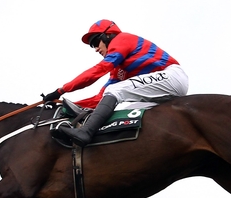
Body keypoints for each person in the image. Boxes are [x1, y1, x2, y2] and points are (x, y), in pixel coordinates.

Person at [43, 19, 188, 146]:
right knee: (130, 114)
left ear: (107, 35)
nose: (95, 49)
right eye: (92, 46)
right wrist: (63, 106)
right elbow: (100, 99)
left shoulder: (122, 39)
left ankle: (85, 132)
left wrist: (61, 90)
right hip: (162, 88)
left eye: (95, 42)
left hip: (173, 76)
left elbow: (98, 70)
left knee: (115, 91)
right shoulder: (118, 69)